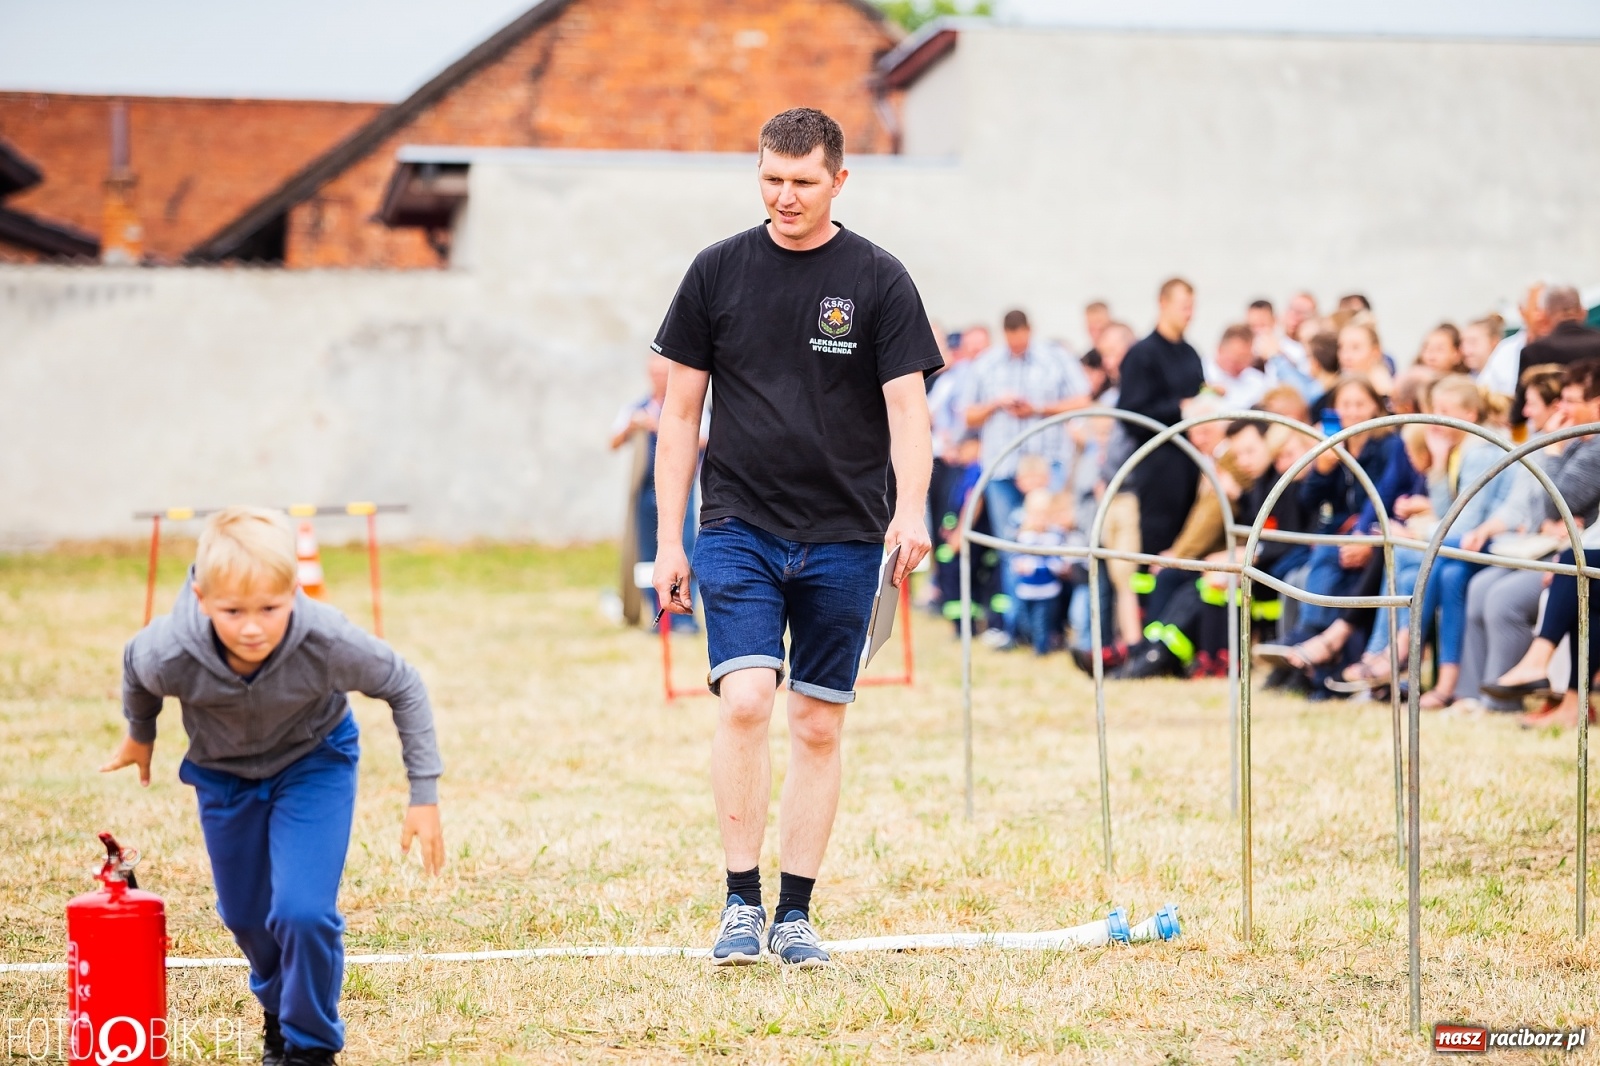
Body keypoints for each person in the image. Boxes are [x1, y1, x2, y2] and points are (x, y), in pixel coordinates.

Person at [649, 108, 942, 968]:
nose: (784, 196)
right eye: (771, 180)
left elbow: (908, 412)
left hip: (847, 533)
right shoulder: (716, 272)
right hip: (737, 522)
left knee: (817, 722)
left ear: (839, 180)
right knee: (745, 699)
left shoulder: (879, 280)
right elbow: (678, 411)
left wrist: (913, 508)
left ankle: (796, 914)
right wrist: (668, 539)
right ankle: (741, 903)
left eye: (803, 182)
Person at [100, 507, 445, 1065]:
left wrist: (423, 793)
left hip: (313, 763)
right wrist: (140, 735)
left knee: (302, 913)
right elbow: (136, 672)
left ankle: (309, 1046)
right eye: (233, 611)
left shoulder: (325, 639)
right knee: (245, 917)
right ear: (201, 596)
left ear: (293, 593)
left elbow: (403, 684)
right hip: (222, 775)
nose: (253, 626)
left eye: (270, 608)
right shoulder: (169, 649)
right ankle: (278, 1006)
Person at [610, 352, 703, 630]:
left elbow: (707, 440)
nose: (659, 379)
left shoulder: (690, 408)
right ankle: (658, 617)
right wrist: (632, 425)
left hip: (680, 492)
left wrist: (661, 427)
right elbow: (612, 441)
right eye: (655, 374)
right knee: (649, 554)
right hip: (645, 492)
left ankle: (684, 618)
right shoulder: (637, 406)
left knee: (685, 549)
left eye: (664, 374)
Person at [1117, 277, 1206, 556]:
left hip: (1191, 464)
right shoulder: (1142, 355)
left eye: (1191, 307)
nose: (1188, 314)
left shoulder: (1191, 353)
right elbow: (1131, 415)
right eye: (1183, 306)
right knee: (1156, 544)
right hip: (1157, 467)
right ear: (1163, 304)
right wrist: (1181, 409)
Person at [1513, 286, 1600, 422]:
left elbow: (1518, 413)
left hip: (1555, 434)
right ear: (1583, 313)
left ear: (1545, 316)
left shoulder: (1534, 351)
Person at [1478, 283, 1546, 399]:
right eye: (1537, 308)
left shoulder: (1568, 347)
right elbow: (1483, 392)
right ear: (1522, 310)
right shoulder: (1506, 350)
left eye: (1548, 308)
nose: (1543, 315)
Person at [1205, 322, 1269, 410]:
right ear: (1220, 349)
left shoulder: (1257, 381)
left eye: (1246, 358)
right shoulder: (1200, 372)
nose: (1241, 364)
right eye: (1236, 358)